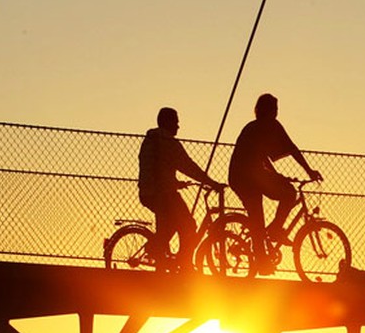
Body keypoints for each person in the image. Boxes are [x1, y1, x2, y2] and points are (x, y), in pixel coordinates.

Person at [228, 93, 322, 274]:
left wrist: (277, 175)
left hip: (247, 176)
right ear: (269, 111)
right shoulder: (268, 126)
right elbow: (291, 147)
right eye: (275, 109)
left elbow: (262, 157)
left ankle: (270, 239)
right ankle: (271, 239)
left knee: (268, 208)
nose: (276, 113)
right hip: (246, 177)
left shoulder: (254, 127)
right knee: (277, 201)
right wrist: (309, 171)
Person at [138, 106, 224, 271]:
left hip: (149, 192)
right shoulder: (168, 142)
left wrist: (175, 182)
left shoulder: (151, 140)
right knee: (189, 225)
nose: (178, 126)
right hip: (163, 194)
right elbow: (187, 165)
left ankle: (158, 253)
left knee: (169, 227)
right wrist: (212, 183)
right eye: (176, 122)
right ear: (167, 122)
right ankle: (184, 262)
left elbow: (155, 169)